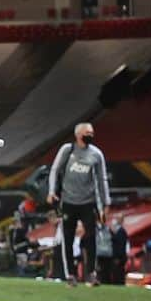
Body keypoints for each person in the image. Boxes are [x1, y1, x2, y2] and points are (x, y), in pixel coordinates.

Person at [48, 121, 110, 288]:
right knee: (67, 239)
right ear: (78, 134)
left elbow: (102, 179)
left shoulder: (96, 154)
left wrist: (105, 203)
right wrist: (51, 191)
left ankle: (91, 274)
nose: (90, 135)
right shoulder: (67, 151)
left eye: (91, 133)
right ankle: (71, 275)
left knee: (91, 238)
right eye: (87, 133)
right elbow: (55, 170)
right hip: (68, 202)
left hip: (88, 202)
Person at [109, 218, 130, 285]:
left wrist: (118, 258)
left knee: (118, 275)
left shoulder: (121, 232)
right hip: (119, 257)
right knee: (117, 274)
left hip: (119, 258)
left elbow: (121, 246)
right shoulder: (119, 232)